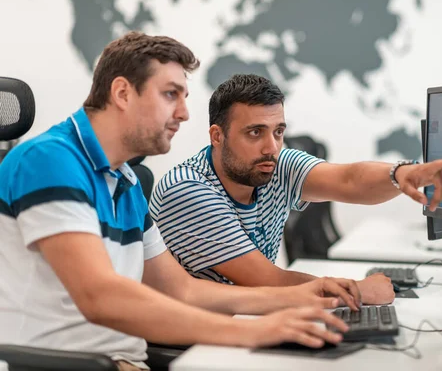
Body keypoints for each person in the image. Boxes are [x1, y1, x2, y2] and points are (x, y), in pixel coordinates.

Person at [0, 33, 362, 371]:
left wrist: (298, 297)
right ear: (123, 93)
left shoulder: (121, 179)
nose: (185, 113)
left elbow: (180, 289)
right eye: (171, 94)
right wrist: (254, 331)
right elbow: (101, 297)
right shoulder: (49, 161)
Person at [149, 74, 442, 304]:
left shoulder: (274, 163)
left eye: (278, 131)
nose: (271, 147)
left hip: (252, 320)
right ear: (217, 136)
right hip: (196, 343)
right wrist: (356, 290)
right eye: (255, 132)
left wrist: (400, 174)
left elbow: (348, 179)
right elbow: (266, 281)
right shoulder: (189, 191)